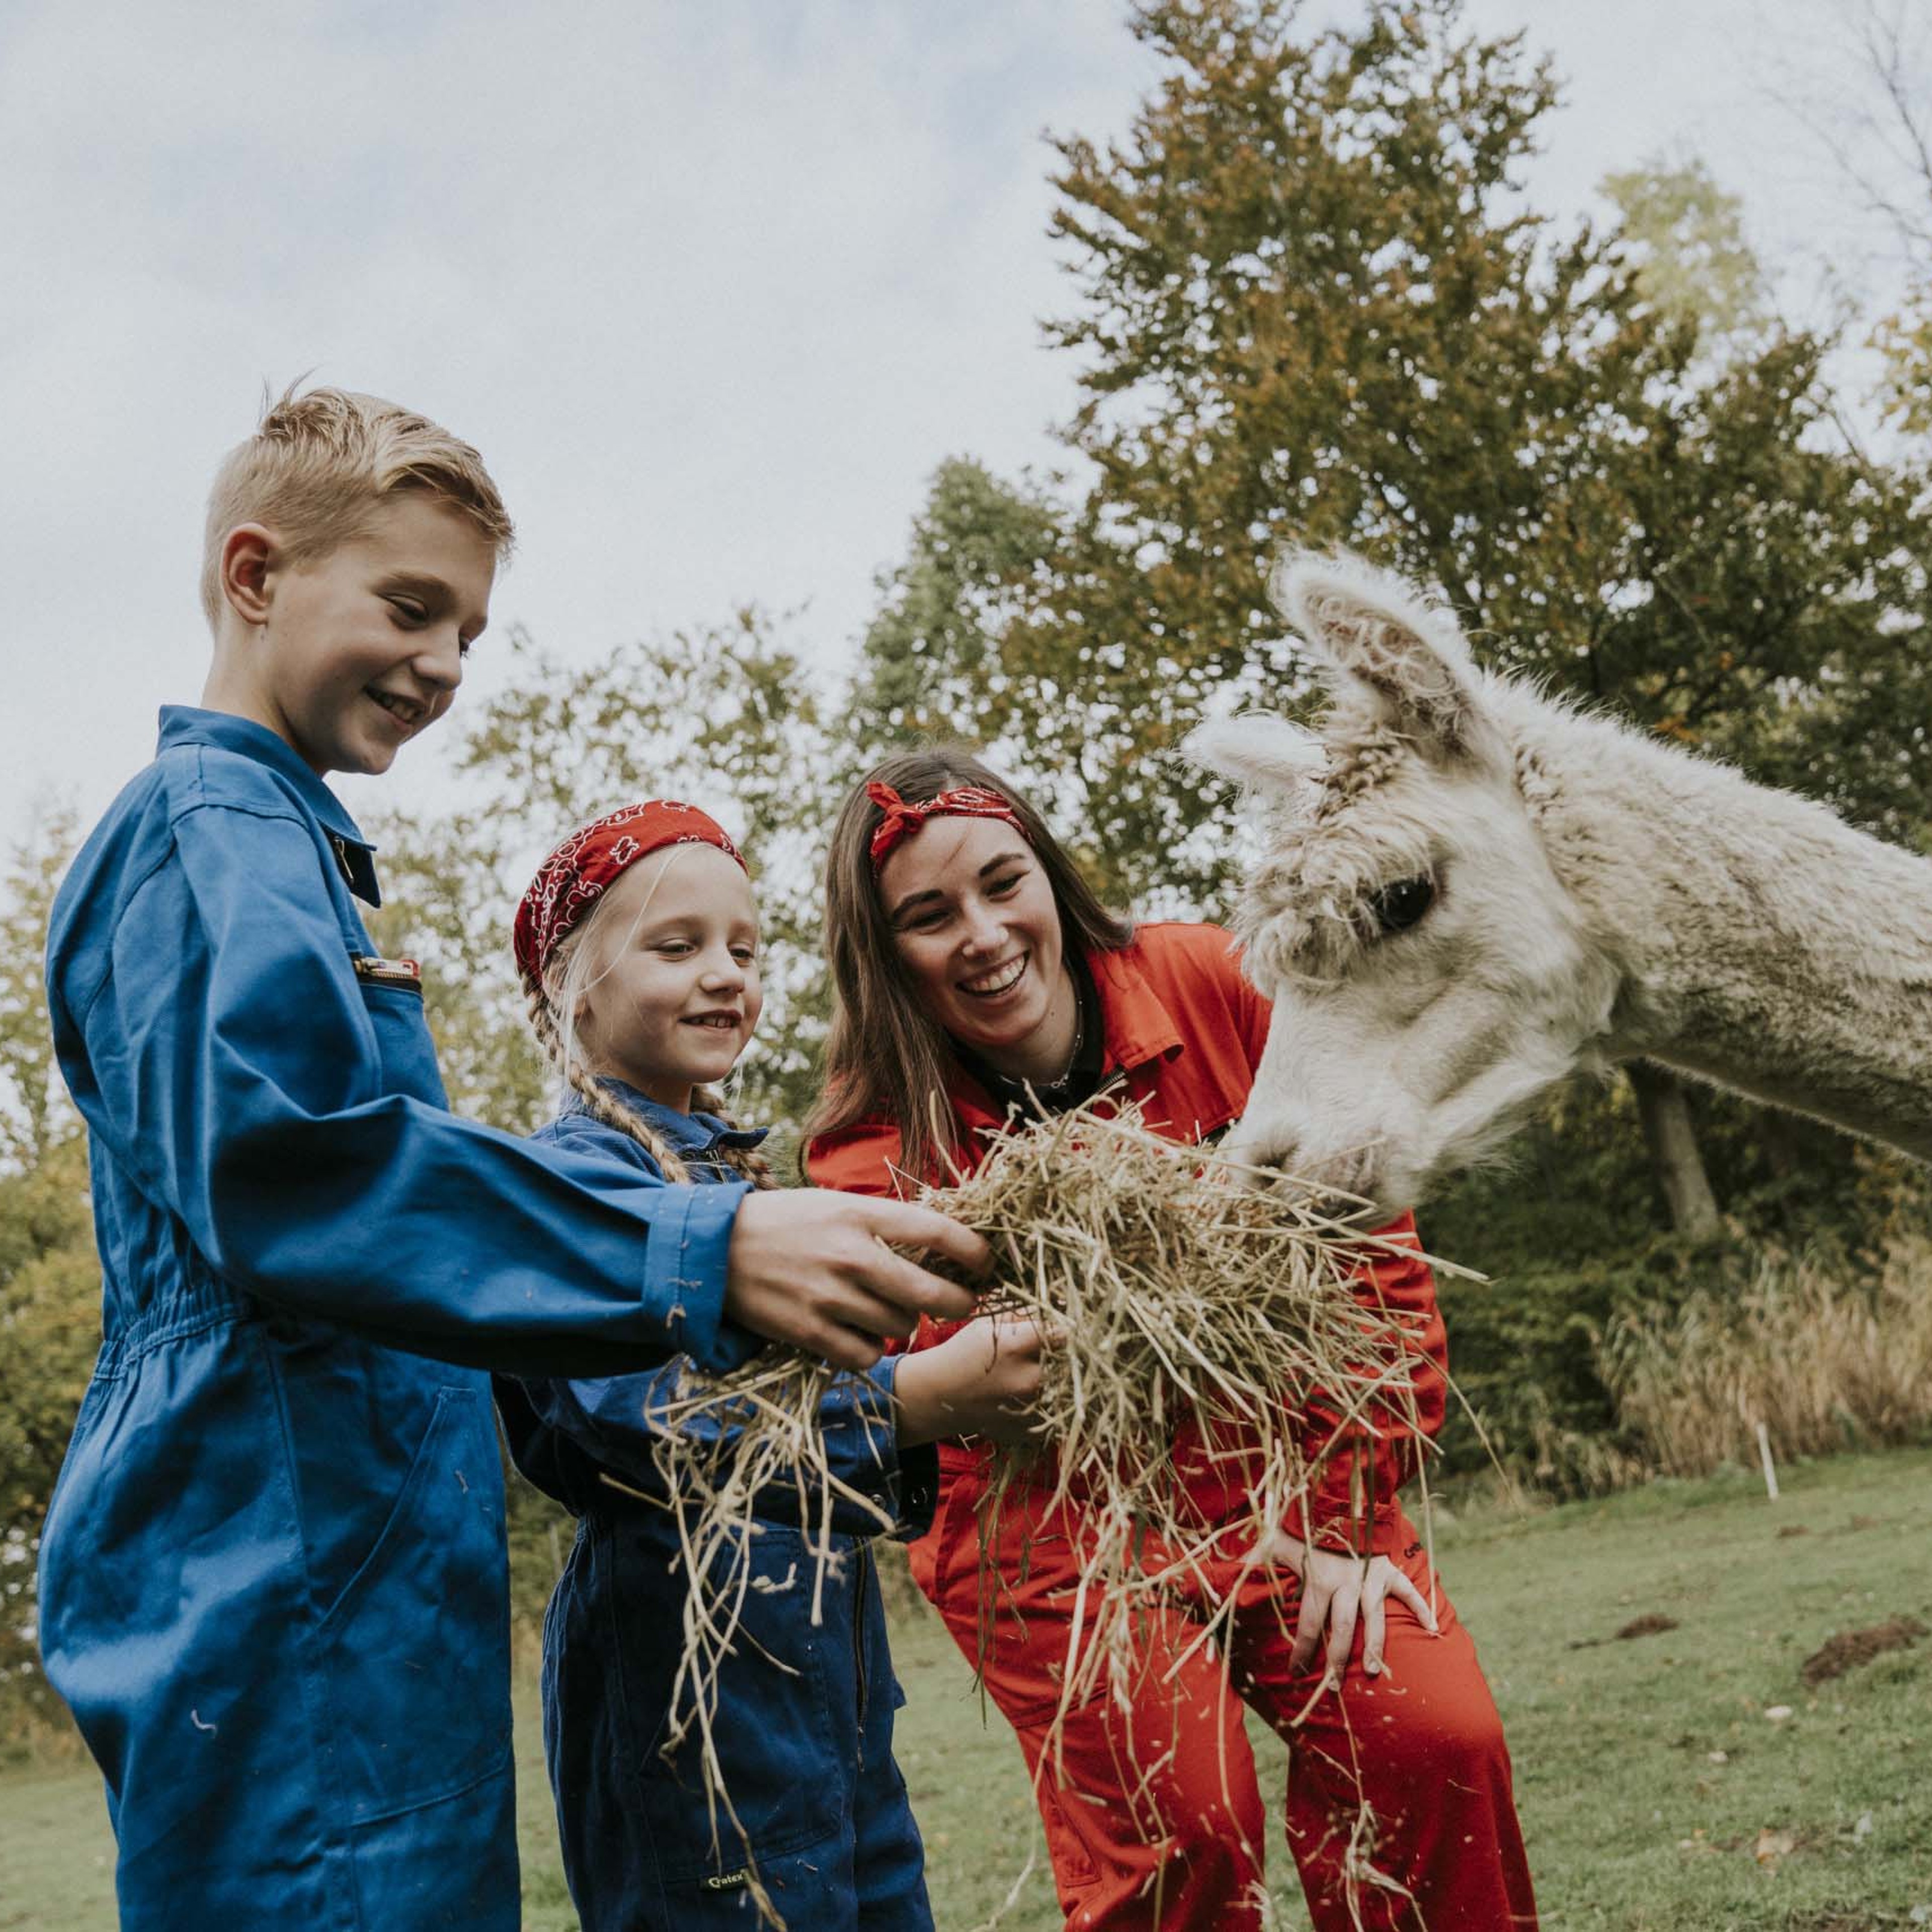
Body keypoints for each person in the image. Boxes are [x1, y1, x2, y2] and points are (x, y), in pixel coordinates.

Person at [38, 388, 984, 1930]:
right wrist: (710, 1252)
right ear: (255, 573)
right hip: (270, 1566)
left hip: (359, 1567)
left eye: (469, 634)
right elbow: (301, 1172)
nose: (440, 666)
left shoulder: (283, 843)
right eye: (410, 608)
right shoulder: (208, 829)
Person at [803, 748, 1539, 1932]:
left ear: (1047, 874)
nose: (984, 934)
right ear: (884, 954)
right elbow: (896, 1393)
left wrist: (1341, 1516)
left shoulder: (1218, 981)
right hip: (1059, 1532)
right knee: (1187, 1822)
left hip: (1292, 1482)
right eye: (929, 918)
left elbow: (1379, 1260)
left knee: (1433, 1739)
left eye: (1003, 883)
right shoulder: (872, 1141)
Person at [497, 797, 1046, 1930]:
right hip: (679, 1689)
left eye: (746, 949)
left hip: (824, 1674)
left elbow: (811, 1409)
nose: (726, 976)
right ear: (572, 982)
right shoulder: (573, 1188)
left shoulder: (733, 1177)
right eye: (677, 946)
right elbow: (642, 1422)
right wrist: (916, 1403)